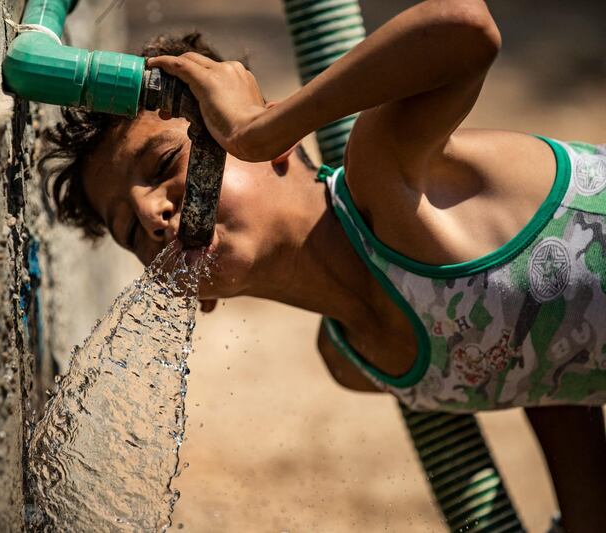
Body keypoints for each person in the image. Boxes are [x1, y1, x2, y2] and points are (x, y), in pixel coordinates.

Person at [40, 1, 606, 529]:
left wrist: (266, 124)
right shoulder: (353, 361)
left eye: (165, 162)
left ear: (274, 144)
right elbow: (550, 365)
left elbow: (468, 28)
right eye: (131, 230)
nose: (152, 213)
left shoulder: (385, 177)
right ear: (193, 297)